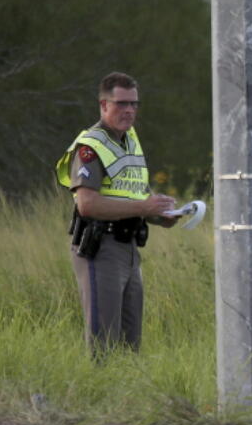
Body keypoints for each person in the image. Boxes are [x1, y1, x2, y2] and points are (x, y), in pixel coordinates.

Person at [55, 72, 179, 354]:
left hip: (130, 247)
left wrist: (161, 214)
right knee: (104, 343)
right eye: (121, 103)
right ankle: (95, 395)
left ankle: (128, 398)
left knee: (130, 343)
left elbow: (134, 196)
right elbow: (87, 204)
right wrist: (143, 207)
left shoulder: (130, 140)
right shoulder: (91, 145)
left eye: (134, 104)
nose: (129, 110)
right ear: (103, 105)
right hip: (101, 247)